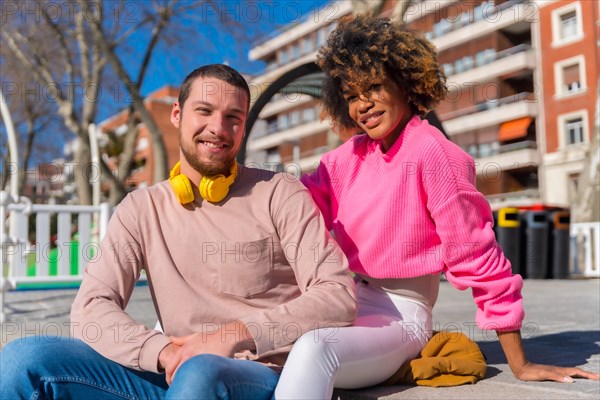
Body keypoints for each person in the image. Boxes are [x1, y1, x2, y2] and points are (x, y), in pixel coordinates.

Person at [274, 15, 600, 399]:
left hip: (399, 318)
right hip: (341, 301)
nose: (362, 105)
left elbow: (480, 258)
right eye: (350, 96)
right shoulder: (346, 159)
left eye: (374, 87)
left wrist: (520, 364)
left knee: (314, 349)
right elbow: (291, 206)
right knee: (258, 339)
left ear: (407, 83)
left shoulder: (434, 154)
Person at [0, 64, 357, 400]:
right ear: (176, 114)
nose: (218, 128)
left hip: (253, 372)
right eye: (204, 111)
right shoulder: (140, 208)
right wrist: (164, 353)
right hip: (172, 372)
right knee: (22, 359)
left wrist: (231, 336)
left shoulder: (280, 192)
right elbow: (92, 308)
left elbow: (337, 294)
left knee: (201, 373)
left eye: (233, 118)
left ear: (243, 128)